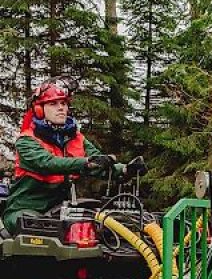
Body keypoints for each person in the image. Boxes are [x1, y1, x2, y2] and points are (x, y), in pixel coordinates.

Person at [1, 79, 126, 234]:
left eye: (63, 103)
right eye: (53, 104)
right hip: (25, 210)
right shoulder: (27, 141)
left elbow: (98, 162)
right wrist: (86, 163)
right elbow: (48, 163)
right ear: (40, 109)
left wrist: (125, 169)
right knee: (37, 228)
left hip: (60, 211)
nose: (61, 108)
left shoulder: (77, 138)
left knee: (102, 230)